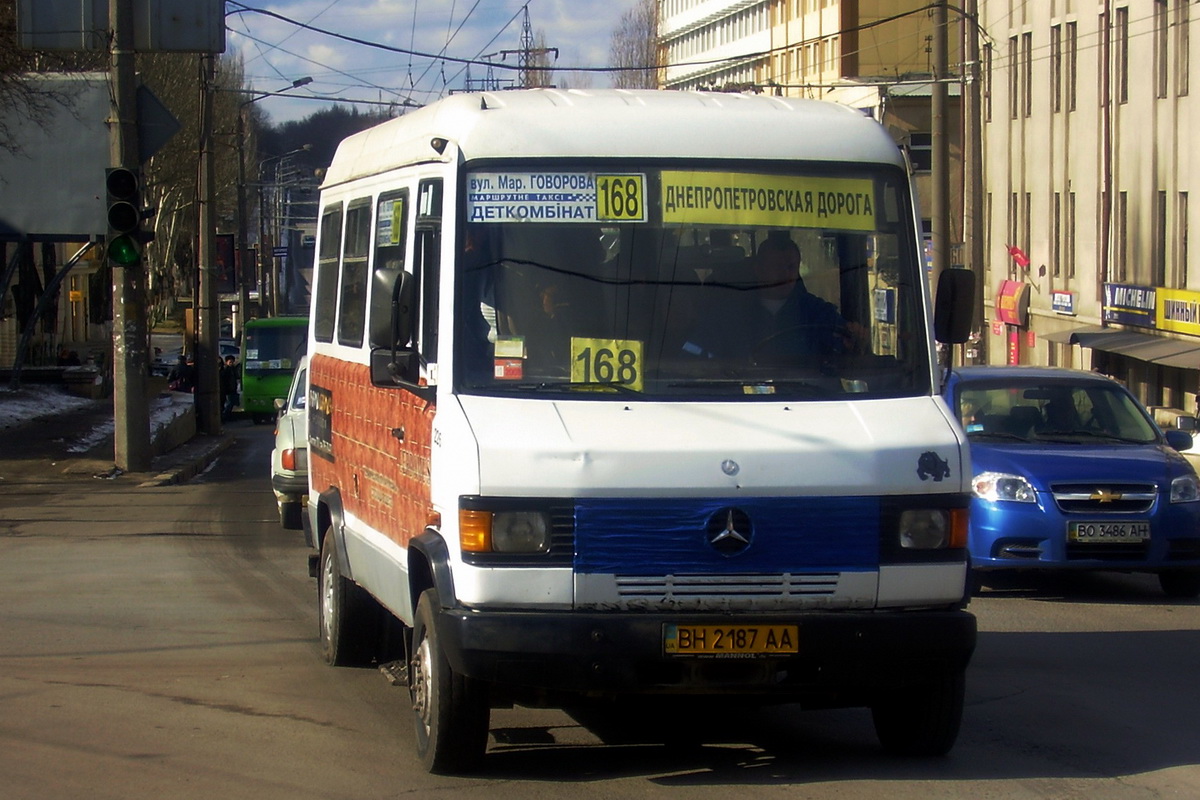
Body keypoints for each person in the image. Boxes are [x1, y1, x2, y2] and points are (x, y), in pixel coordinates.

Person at [687, 233, 864, 366]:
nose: (785, 274)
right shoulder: (727, 316)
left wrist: (855, 341)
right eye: (776, 266)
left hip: (809, 401)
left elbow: (846, 354)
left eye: (790, 267)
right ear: (758, 269)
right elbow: (692, 359)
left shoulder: (818, 313)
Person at [221, 354, 239, 420]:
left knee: (231, 403)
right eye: (230, 362)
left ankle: (228, 416)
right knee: (228, 404)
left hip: (233, 389)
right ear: (226, 362)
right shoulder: (226, 370)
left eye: (232, 362)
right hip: (228, 390)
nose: (231, 363)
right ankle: (225, 416)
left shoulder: (233, 369)